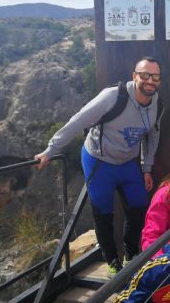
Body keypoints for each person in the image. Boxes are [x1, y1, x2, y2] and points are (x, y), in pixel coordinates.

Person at [35, 57, 163, 278]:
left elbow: (153, 135)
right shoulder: (114, 96)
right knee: (103, 213)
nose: (150, 80)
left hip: (127, 162)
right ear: (135, 76)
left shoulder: (156, 103)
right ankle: (111, 260)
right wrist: (51, 150)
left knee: (139, 208)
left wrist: (147, 167)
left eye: (155, 76)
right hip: (98, 160)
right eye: (145, 75)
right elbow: (79, 120)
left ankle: (130, 255)